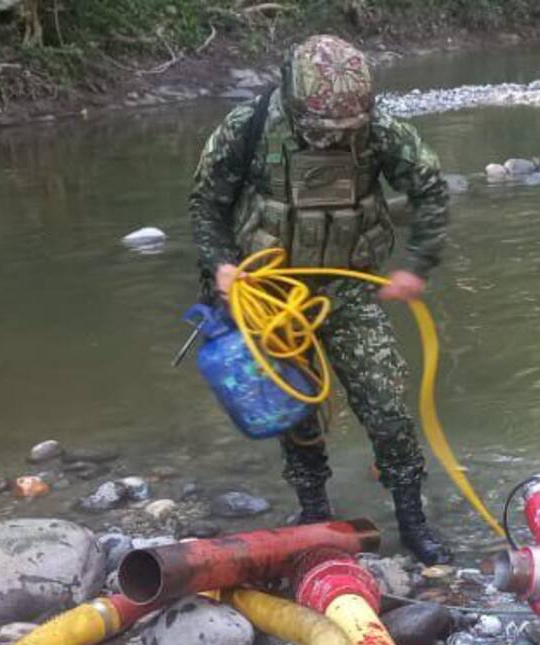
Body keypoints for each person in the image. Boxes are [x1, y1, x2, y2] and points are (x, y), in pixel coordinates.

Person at [188, 34, 452, 565]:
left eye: (344, 134)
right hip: (273, 295)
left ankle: (412, 519)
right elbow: (205, 205)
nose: (333, 142)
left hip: (349, 289)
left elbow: (431, 189)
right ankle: (313, 512)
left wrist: (417, 267)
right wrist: (220, 265)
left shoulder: (380, 131)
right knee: (295, 408)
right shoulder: (249, 128)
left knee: (387, 408)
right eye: (322, 132)